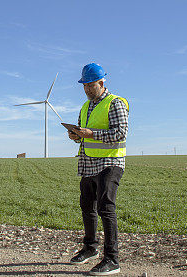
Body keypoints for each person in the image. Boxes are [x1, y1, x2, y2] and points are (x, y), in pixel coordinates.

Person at [67, 63, 129, 276]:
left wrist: (91, 134)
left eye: (90, 85)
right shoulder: (85, 107)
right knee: (87, 207)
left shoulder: (115, 103)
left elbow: (120, 133)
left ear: (102, 83)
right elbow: (83, 134)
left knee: (105, 207)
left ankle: (112, 259)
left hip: (110, 163)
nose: (86, 89)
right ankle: (90, 248)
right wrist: (76, 136)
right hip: (88, 164)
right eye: (84, 85)